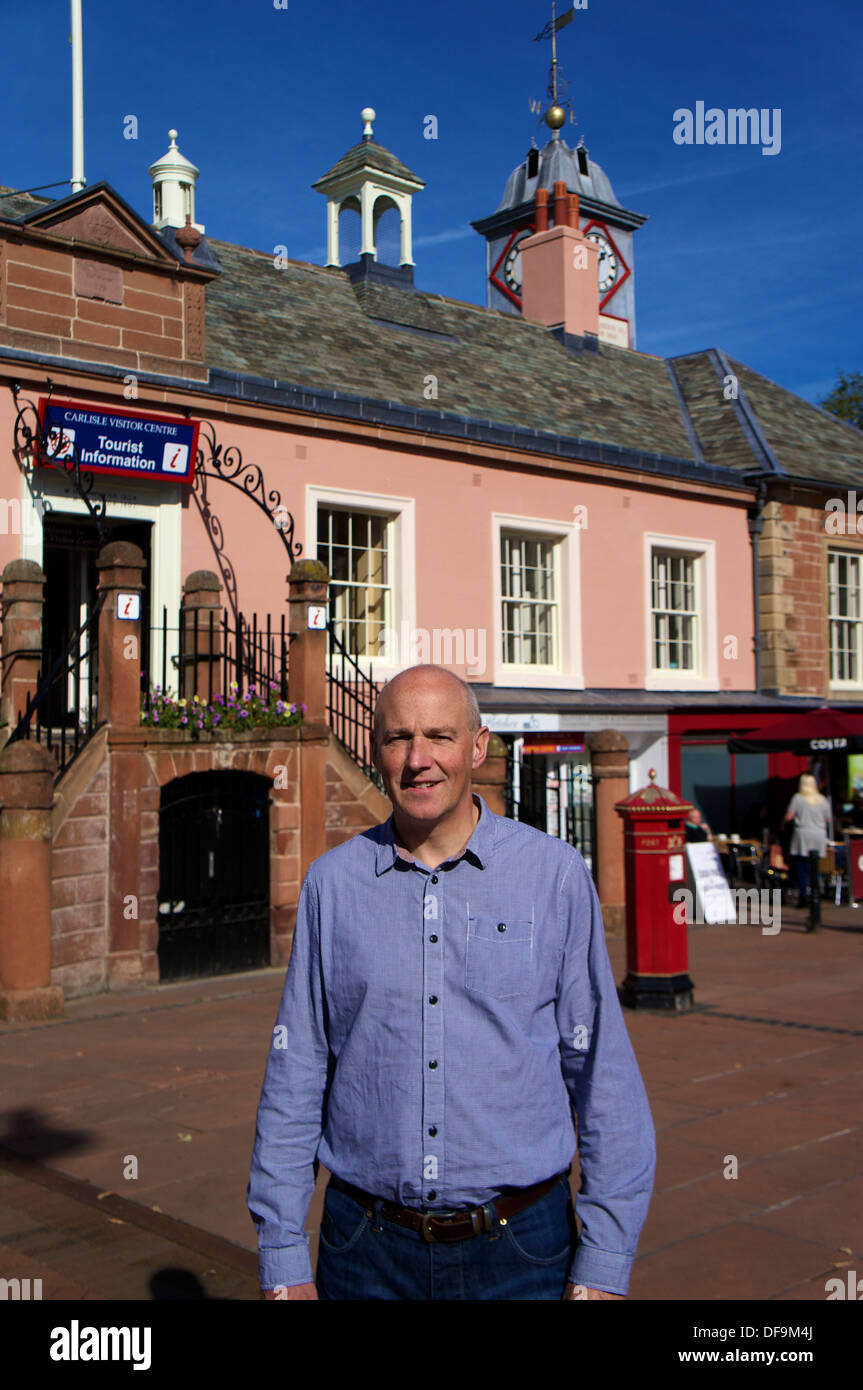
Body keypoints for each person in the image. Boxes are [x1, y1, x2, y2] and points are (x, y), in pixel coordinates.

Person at [246, 664, 656, 1301]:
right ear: (375, 748)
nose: (418, 760)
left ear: (478, 745)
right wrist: (280, 1252)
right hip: (364, 1250)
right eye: (397, 738)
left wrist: (604, 1257)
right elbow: (297, 1068)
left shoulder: (554, 876)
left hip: (521, 1249)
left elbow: (600, 1068)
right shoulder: (333, 885)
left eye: (439, 736)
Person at [782, 773, 832, 907]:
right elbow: (828, 819)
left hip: (803, 834)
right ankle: (816, 893)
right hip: (819, 835)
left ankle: (804, 895)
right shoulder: (822, 799)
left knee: (800, 866)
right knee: (814, 866)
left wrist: (783, 823)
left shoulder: (798, 798)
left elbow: (789, 816)